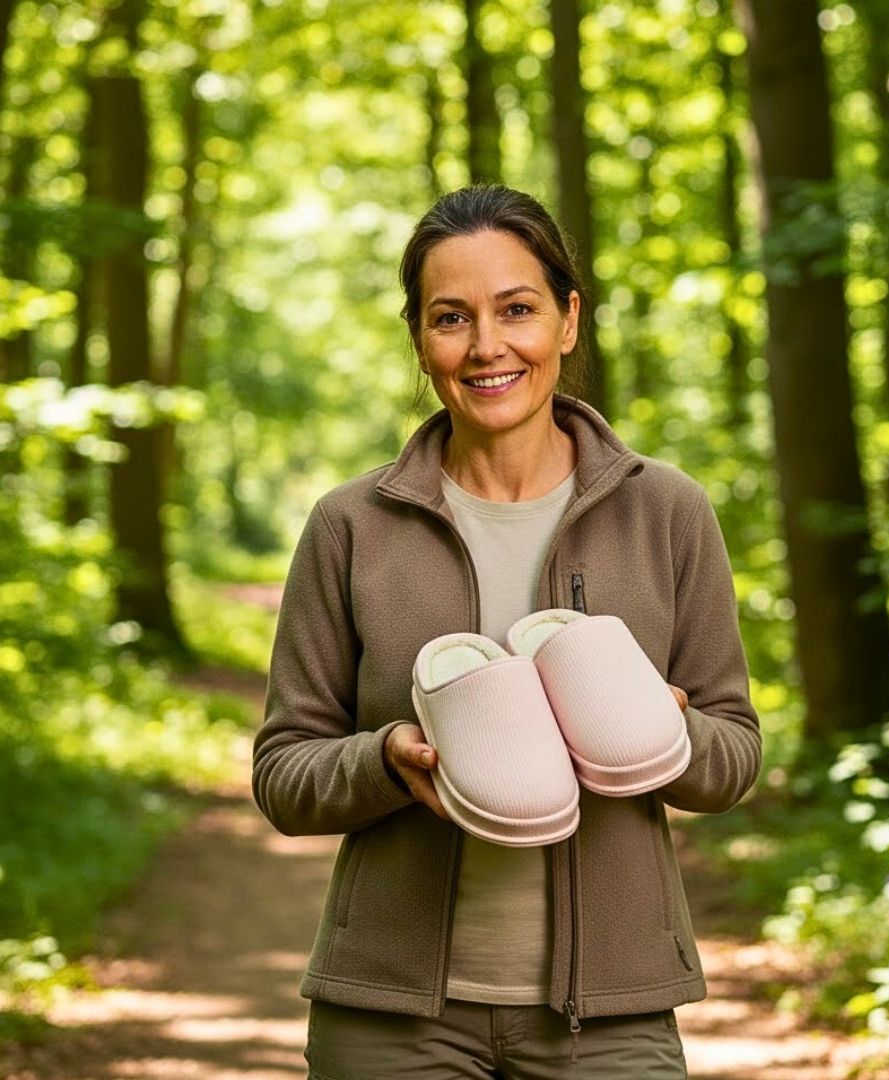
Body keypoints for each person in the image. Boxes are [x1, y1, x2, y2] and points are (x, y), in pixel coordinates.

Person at [252, 184, 761, 1079]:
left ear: (568, 320)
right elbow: (284, 771)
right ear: (420, 338)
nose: (488, 346)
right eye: (452, 317)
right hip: (391, 1018)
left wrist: (663, 732)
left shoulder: (666, 512)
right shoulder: (352, 525)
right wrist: (386, 762)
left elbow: (735, 757)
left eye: (517, 310)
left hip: (610, 1018)